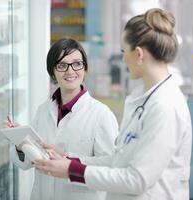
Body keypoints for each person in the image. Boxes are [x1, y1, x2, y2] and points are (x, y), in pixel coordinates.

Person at [33, 8, 192, 200]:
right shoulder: (143, 99)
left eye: (124, 51)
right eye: (62, 65)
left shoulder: (165, 106)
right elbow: (118, 160)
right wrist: (68, 159)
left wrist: (72, 170)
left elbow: (137, 179)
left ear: (139, 54)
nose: (123, 59)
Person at [9, 38, 119, 200]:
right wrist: (22, 144)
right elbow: (26, 164)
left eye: (77, 64)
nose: (70, 71)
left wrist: (67, 159)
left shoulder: (101, 114)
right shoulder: (43, 110)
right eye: (62, 65)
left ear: (85, 69)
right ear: (52, 72)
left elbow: (110, 166)